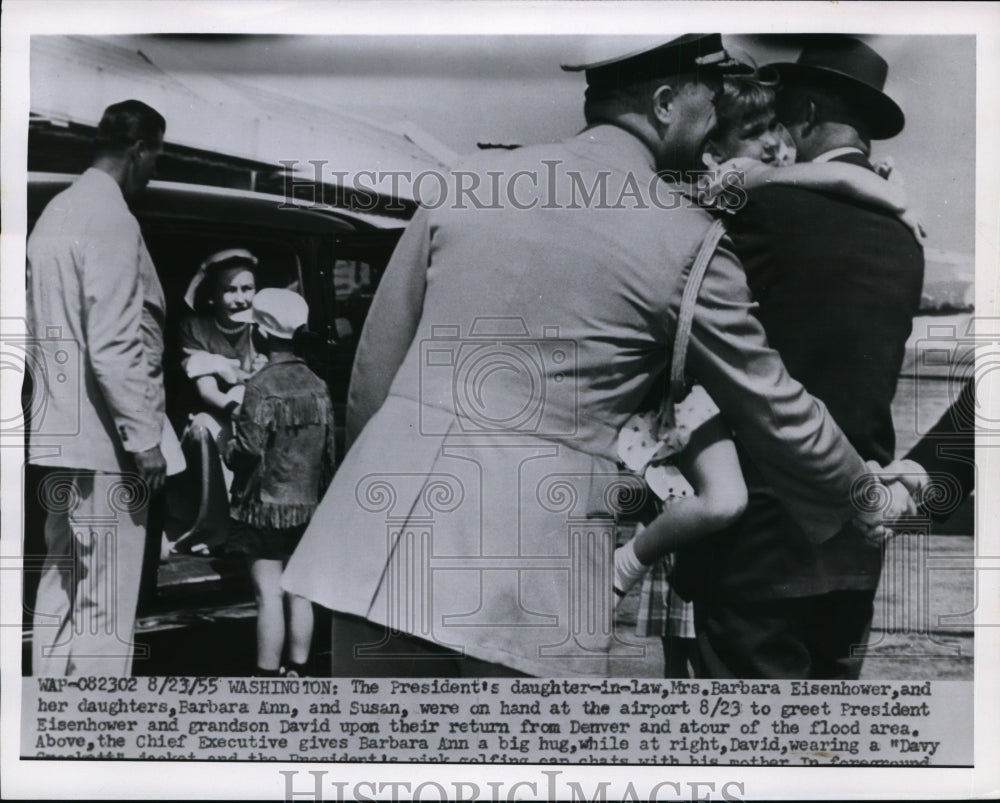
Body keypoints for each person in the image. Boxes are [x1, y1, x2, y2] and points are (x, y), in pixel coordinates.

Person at [282, 35, 899, 678]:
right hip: (524, 573)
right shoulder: (688, 239)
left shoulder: (467, 180)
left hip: (370, 544)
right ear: (664, 103)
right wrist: (863, 491)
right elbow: (773, 402)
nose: (717, 120)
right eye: (708, 102)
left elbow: (374, 377)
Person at [625, 69, 923, 678]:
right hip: (856, 549)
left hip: (756, 551)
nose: (777, 138)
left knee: (746, 753)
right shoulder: (903, 234)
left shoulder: (759, 206)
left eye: (781, 118)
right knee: (825, 751)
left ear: (807, 111)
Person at [26, 99, 181, 675]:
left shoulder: (57, 212)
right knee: (106, 600)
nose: (153, 170)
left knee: (62, 578)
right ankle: (96, 728)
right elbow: (115, 342)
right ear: (141, 151)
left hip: (60, 434)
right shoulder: (113, 219)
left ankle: (45, 718)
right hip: (108, 443)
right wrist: (145, 440)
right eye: (156, 157)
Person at [222, 289, 336, 678]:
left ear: (261, 335)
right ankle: (299, 671)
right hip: (308, 506)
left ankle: (267, 678)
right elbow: (328, 453)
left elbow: (249, 450)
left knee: (267, 595)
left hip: (263, 508)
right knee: (299, 593)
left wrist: (227, 449)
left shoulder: (259, 385)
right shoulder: (318, 383)